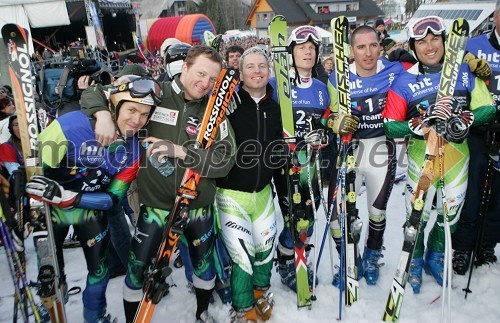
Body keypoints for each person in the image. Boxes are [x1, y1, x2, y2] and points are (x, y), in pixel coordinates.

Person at [81, 45, 236, 323]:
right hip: (156, 207)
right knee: (136, 268)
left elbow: (224, 161)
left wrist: (180, 151)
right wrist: (102, 115)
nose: (206, 83)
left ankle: (202, 313)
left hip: (197, 207)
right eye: (200, 73)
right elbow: (95, 92)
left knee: (204, 267)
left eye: (213, 79)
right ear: (185, 67)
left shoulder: (216, 111)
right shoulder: (155, 92)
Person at [25, 77, 159, 322]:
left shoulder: (134, 149)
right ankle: (51, 307)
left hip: (88, 210)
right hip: (50, 211)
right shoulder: (71, 125)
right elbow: (33, 172)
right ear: (115, 107)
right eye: (131, 110)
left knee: (99, 271)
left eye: (144, 114)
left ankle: (95, 316)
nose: (136, 120)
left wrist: (71, 198)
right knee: (49, 274)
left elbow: (112, 199)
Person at [382, 16, 496, 293]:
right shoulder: (403, 81)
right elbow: (389, 124)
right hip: (423, 158)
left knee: (450, 216)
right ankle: (417, 259)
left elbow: (488, 107)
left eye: (435, 39)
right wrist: (414, 126)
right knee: (415, 216)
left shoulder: (464, 72)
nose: (430, 46)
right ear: (413, 45)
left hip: (457, 156)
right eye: (422, 41)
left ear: (445, 41)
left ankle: (435, 254)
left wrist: (467, 118)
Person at [327, 25, 404, 287]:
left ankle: (372, 256)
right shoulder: (338, 77)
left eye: (373, 45)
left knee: (377, 213)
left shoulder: (396, 71)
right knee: (336, 213)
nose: (368, 52)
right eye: (361, 47)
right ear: (351, 50)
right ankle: (350, 259)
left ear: (380, 46)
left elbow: (427, 72)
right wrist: (334, 123)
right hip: (350, 151)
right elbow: (328, 114)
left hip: (381, 150)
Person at [216, 46, 281, 322]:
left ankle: (260, 294)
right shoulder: (227, 105)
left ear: (269, 72)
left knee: (265, 249)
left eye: (262, 66)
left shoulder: (275, 108)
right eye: (250, 66)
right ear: (240, 74)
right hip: (232, 193)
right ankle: (243, 308)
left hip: (263, 192)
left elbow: (279, 153)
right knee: (242, 255)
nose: (257, 71)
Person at [271, 25, 330, 292]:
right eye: (301, 48)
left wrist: (327, 132)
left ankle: (294, 254)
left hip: (314, 163)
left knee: (309, 216)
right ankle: (287, 263)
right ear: (290, 52)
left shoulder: (321, 86)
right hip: (287, 164)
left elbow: (328, 123)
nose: (307, 52)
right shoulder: (276, 83)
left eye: (311, 48)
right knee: (295, 219)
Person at [452, 2, 500, 274]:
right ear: (495, 16)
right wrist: (466, 59)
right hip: (478, 128)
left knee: (498, 195)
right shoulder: (475, 43)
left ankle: (487, 243)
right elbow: (446, 65)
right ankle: (462, 247)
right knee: (472, 191)